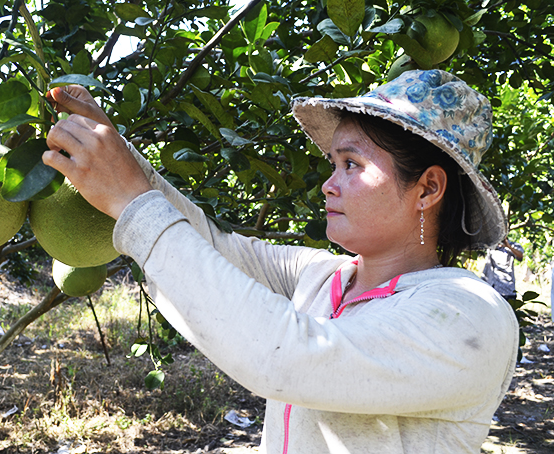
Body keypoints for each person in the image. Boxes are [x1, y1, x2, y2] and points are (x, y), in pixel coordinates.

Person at [42, 70, 519, 454]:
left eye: (351, 165)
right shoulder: (324, 276)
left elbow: (288, 357)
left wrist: (131, 199)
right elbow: (212, 244)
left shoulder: (468, 313)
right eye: (333, 165)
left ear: (428, 189)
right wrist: (119, 158)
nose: (328, 185)